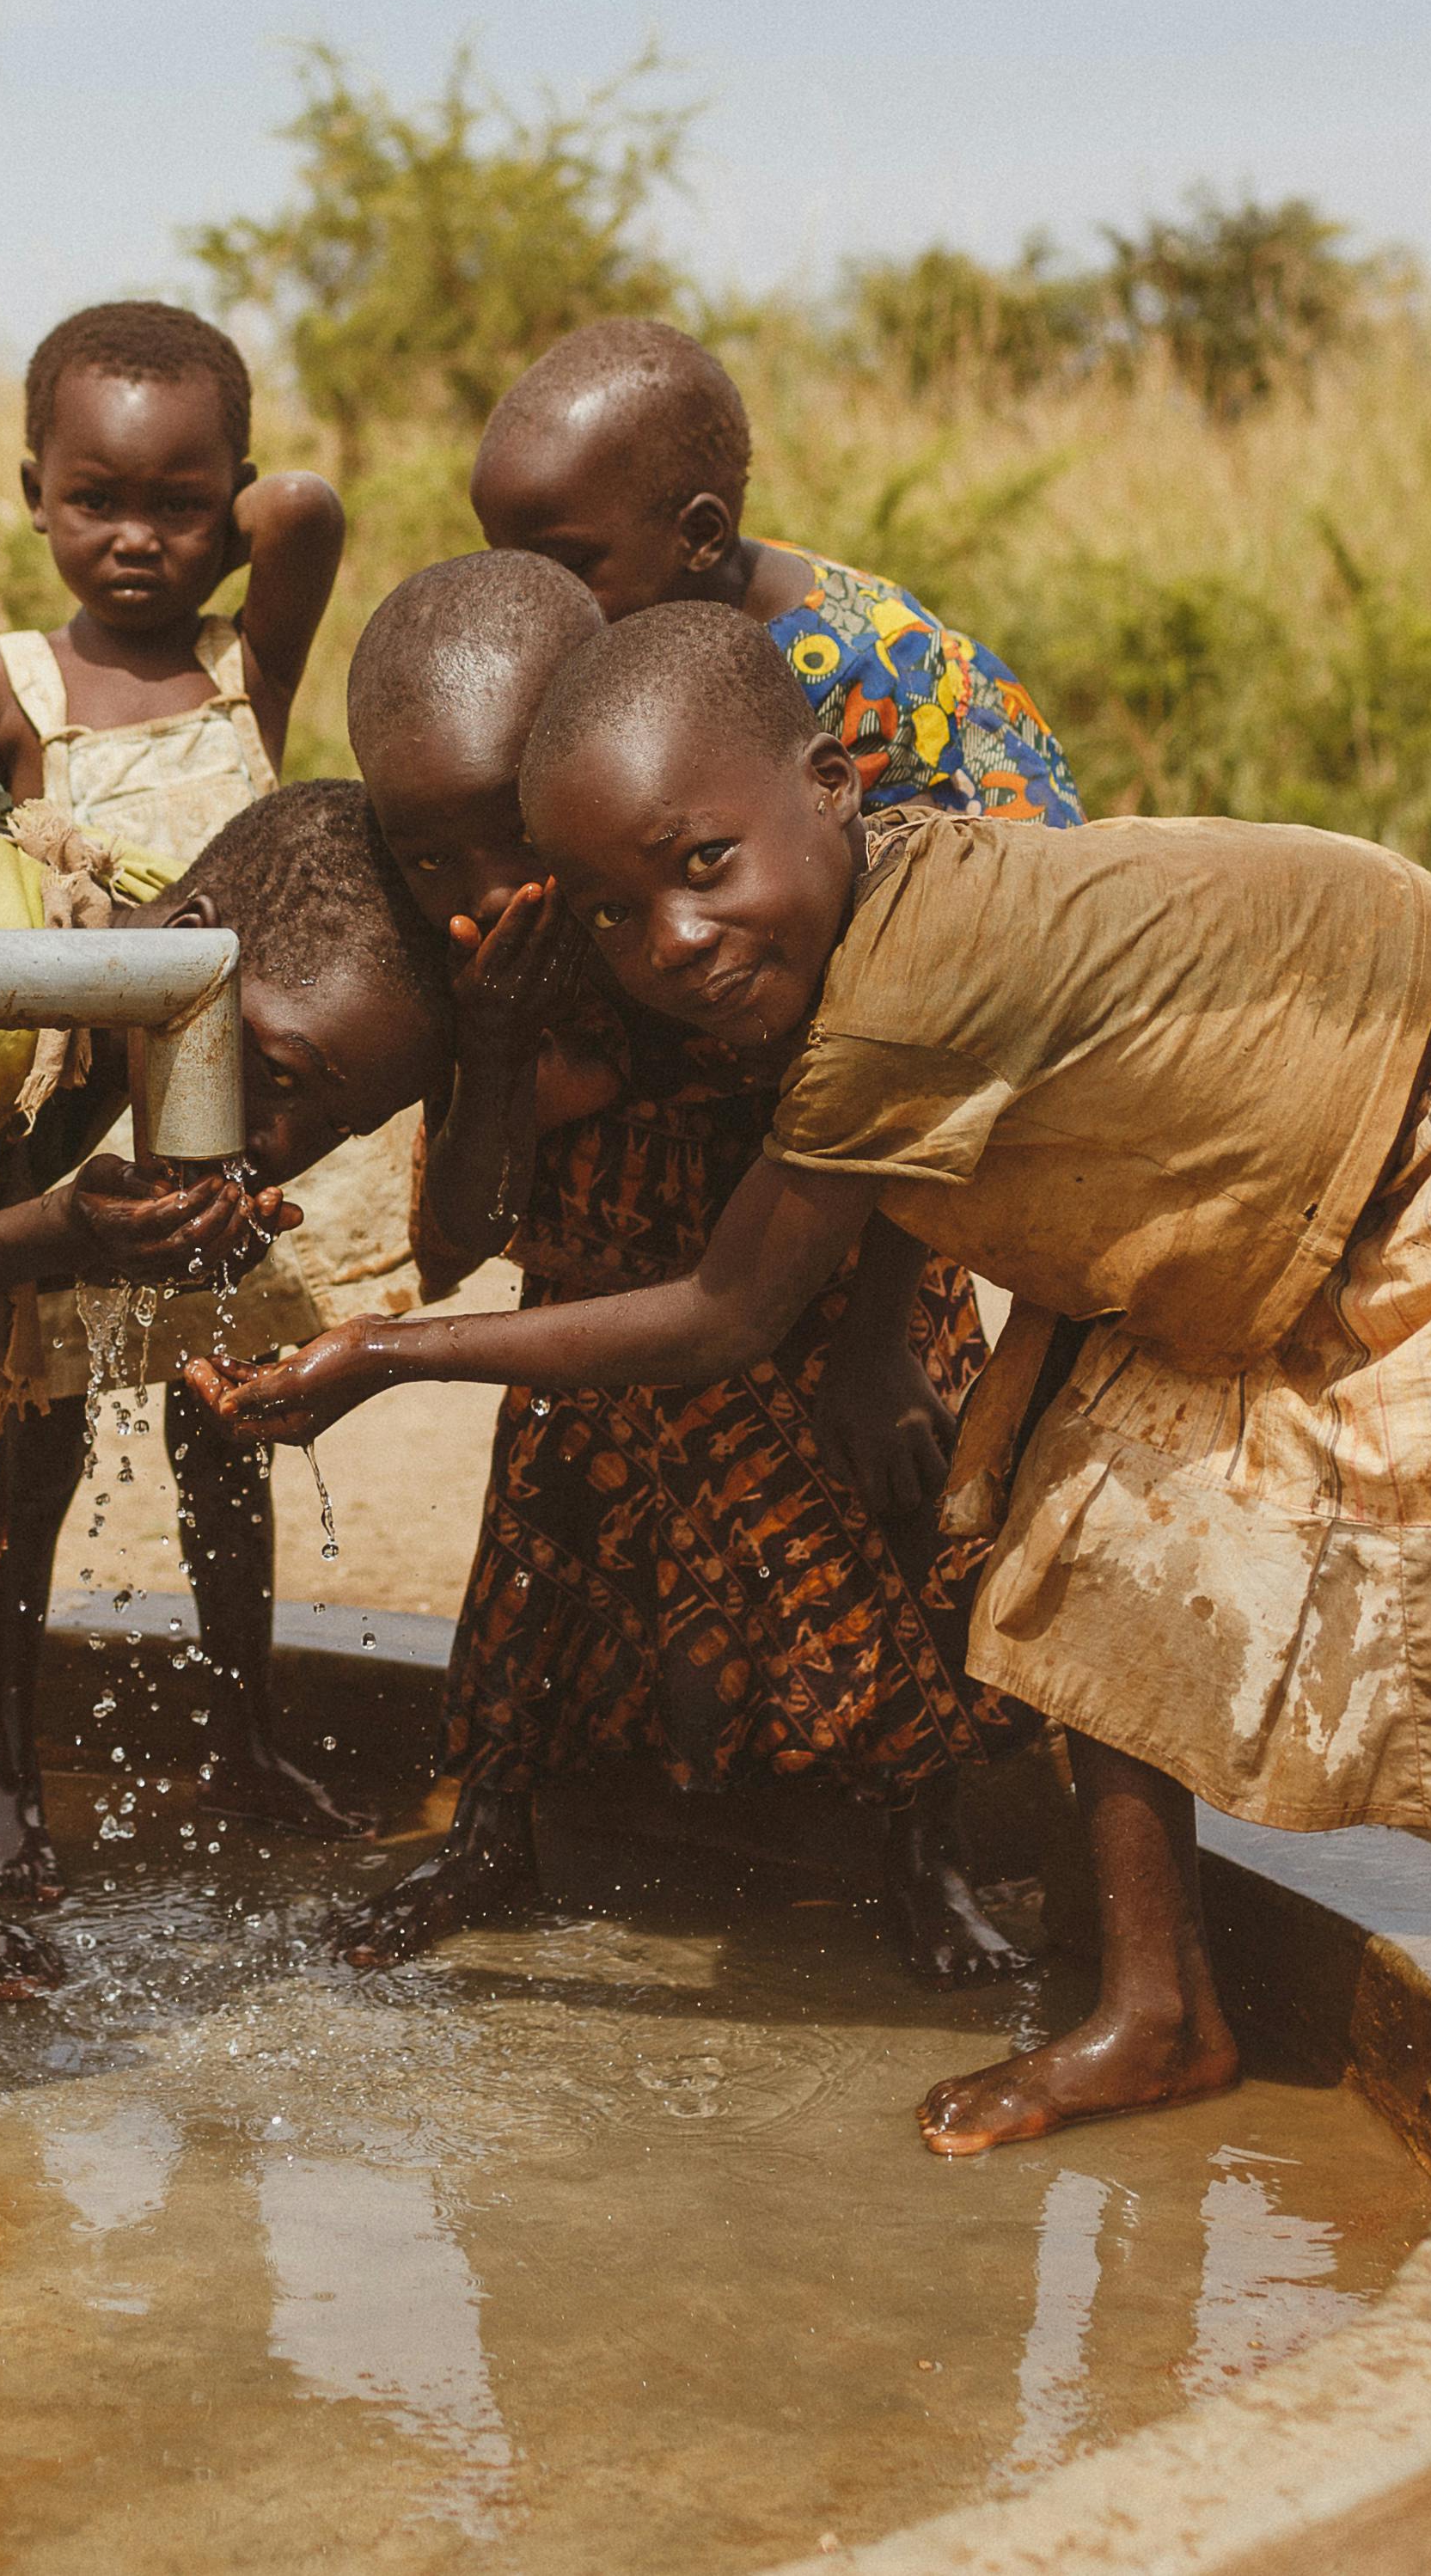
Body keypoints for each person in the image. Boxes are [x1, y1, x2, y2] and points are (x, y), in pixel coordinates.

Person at [197, 606, 1431, 2224]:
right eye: (618, 910)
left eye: (704, 867)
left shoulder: (892, 997)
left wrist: (381, 1357)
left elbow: (717, 1314)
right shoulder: (852, 935)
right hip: (1280, 1167)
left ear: (830, 793)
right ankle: (1160, 2007)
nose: (677, 939)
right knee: (1078, 1548)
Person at [326, 531, 1036, 1986]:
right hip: (595, 1321)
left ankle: (925, 1847)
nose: (477, 885)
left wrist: (877, 1344)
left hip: (840, 1292)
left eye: (503, 837)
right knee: (540, 1578)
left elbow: (891, 1130)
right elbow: (460, 1236)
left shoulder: (716, 907)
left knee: (892, 1548)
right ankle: (490, 1832)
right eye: (429, 853)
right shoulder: (494, 968)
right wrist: (499, 1044)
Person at [0, 768, 449, 2037]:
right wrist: (54, 1236)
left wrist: (85, 1235)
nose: (284, 1140)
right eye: (283, 1076)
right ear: (191, 957)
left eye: (335, 1124)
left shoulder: (138, 952)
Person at [0, 303, 384, 1900]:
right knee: (30, 1470)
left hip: (221, 1160)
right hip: (69, 1152)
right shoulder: (7, 690)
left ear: (227, 503)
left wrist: (238, 518)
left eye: (177, 505)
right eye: (93, 501)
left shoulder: (241, 677)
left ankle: (246, 1727)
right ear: (33, 494)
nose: (133, 540)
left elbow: (313, 517)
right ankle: (2, 1765)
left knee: (228, 1447)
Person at [468, 316, 1079, 822]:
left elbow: (926, 891)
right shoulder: (656, 600)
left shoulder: (872, 679)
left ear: (701, 537)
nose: (527, 598)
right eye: (507, 562)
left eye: (568, 563)